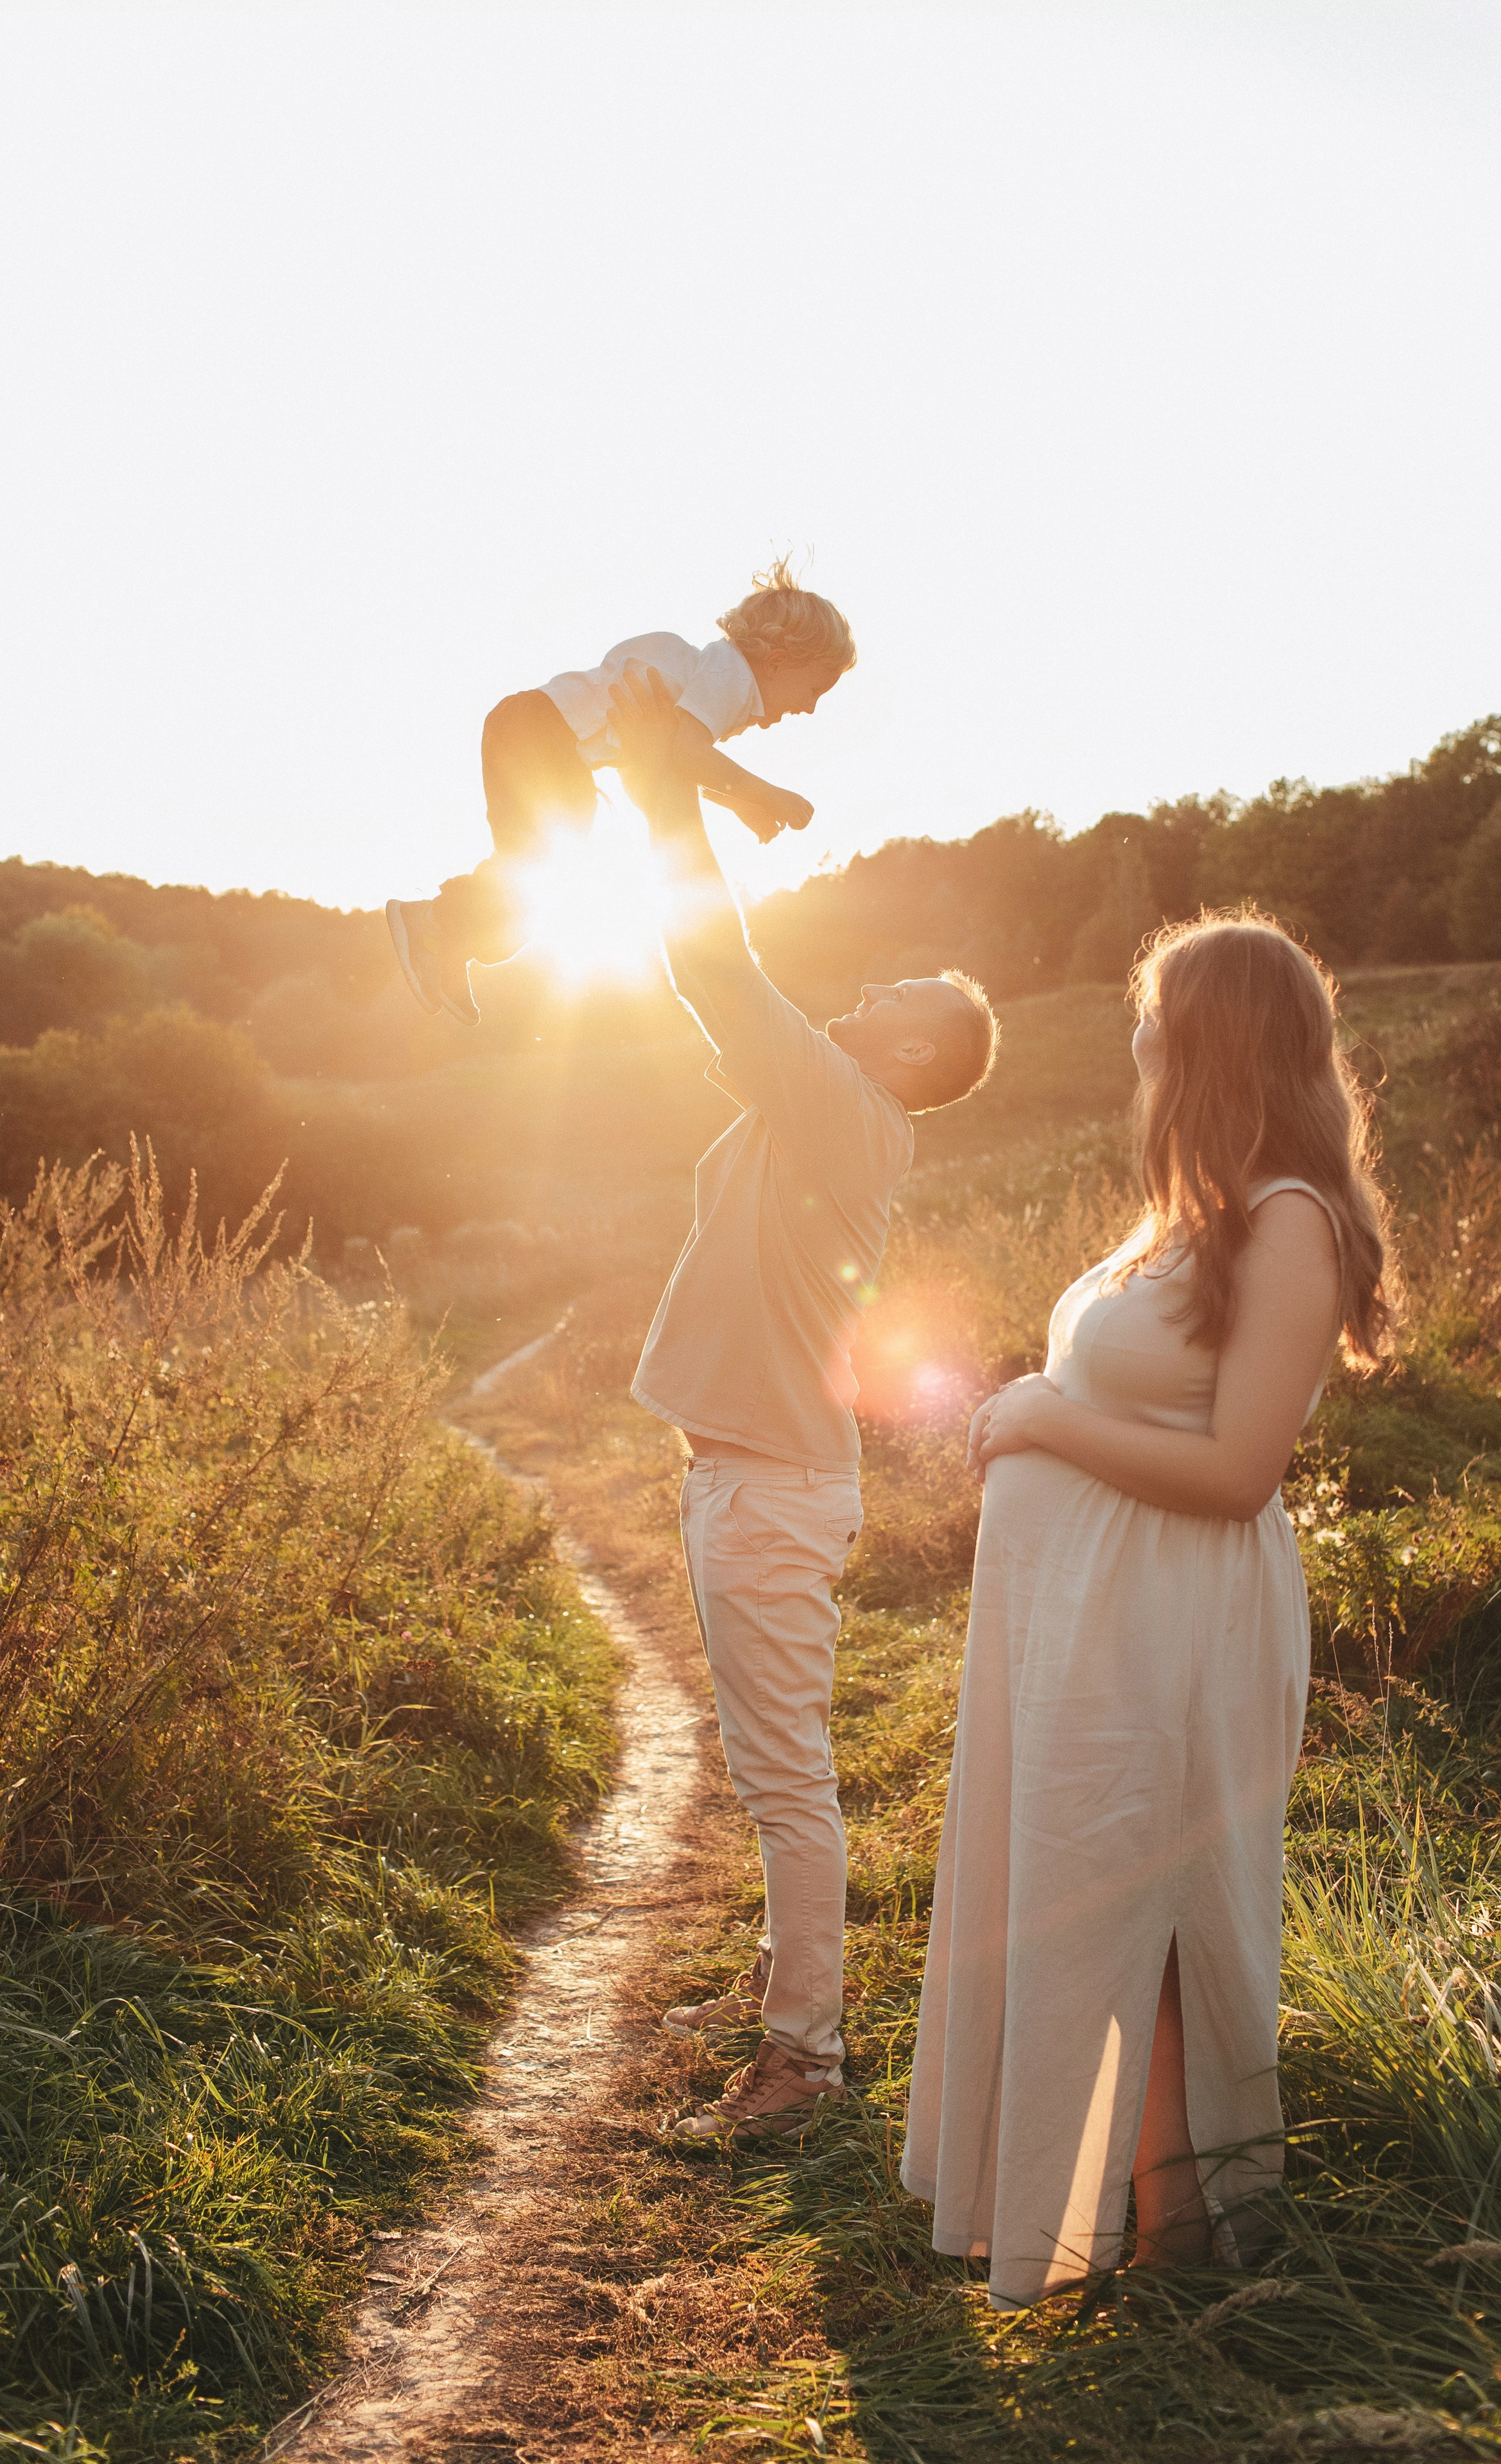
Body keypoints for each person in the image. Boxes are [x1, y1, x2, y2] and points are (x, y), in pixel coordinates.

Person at [902, 912, 1399, 2307]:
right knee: (1087, 1910)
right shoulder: (1190, 1217)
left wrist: (1044, 1423)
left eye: (1153, 1017)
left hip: (1181, 1630)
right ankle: (1127, 2230)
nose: (1132, 1040)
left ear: (1212, 1042)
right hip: (1096, 1632)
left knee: (1163, 1919)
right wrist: (1043, 1417)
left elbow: (1240, 1474)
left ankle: (1187, 2254)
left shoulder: (1291, 1221)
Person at [606, 664, 1000, 2143]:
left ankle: (802, 2063)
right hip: (747, 1473)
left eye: (886, 995)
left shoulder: (849, 1108)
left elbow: (723, 970)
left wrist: (660, 792)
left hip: (768, 1486)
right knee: (774, 1775)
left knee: (784, 1785)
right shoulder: (812, 1098)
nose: (857, 994)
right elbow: (695, 979)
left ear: (907, 1048)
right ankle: (790, 1995)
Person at [386, 561, 855, 1027]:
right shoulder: (728, 679)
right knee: (543, 878)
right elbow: (688, 754)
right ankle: (430, 920)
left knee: (529, 878)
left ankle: (442, 945)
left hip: (530, 731)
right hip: (544, 740)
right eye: (814, 689)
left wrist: (738, 803)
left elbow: (673, 757)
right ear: (776, 663)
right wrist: (770, 796)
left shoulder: (708, 672)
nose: (810, 708)